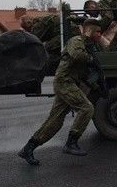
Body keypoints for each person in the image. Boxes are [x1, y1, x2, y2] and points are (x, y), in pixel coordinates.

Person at [18, 18, 104, 166]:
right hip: (64, 82)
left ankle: (28, 148)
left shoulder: (89, 45)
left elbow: (82, 70)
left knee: (54, 122)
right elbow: (77, 55)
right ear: (89, 31)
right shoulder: (76, 41)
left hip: (68, 82)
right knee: (87, 108)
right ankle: (71, 143)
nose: (99, 34)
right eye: (97, 31)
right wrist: (91, 59)